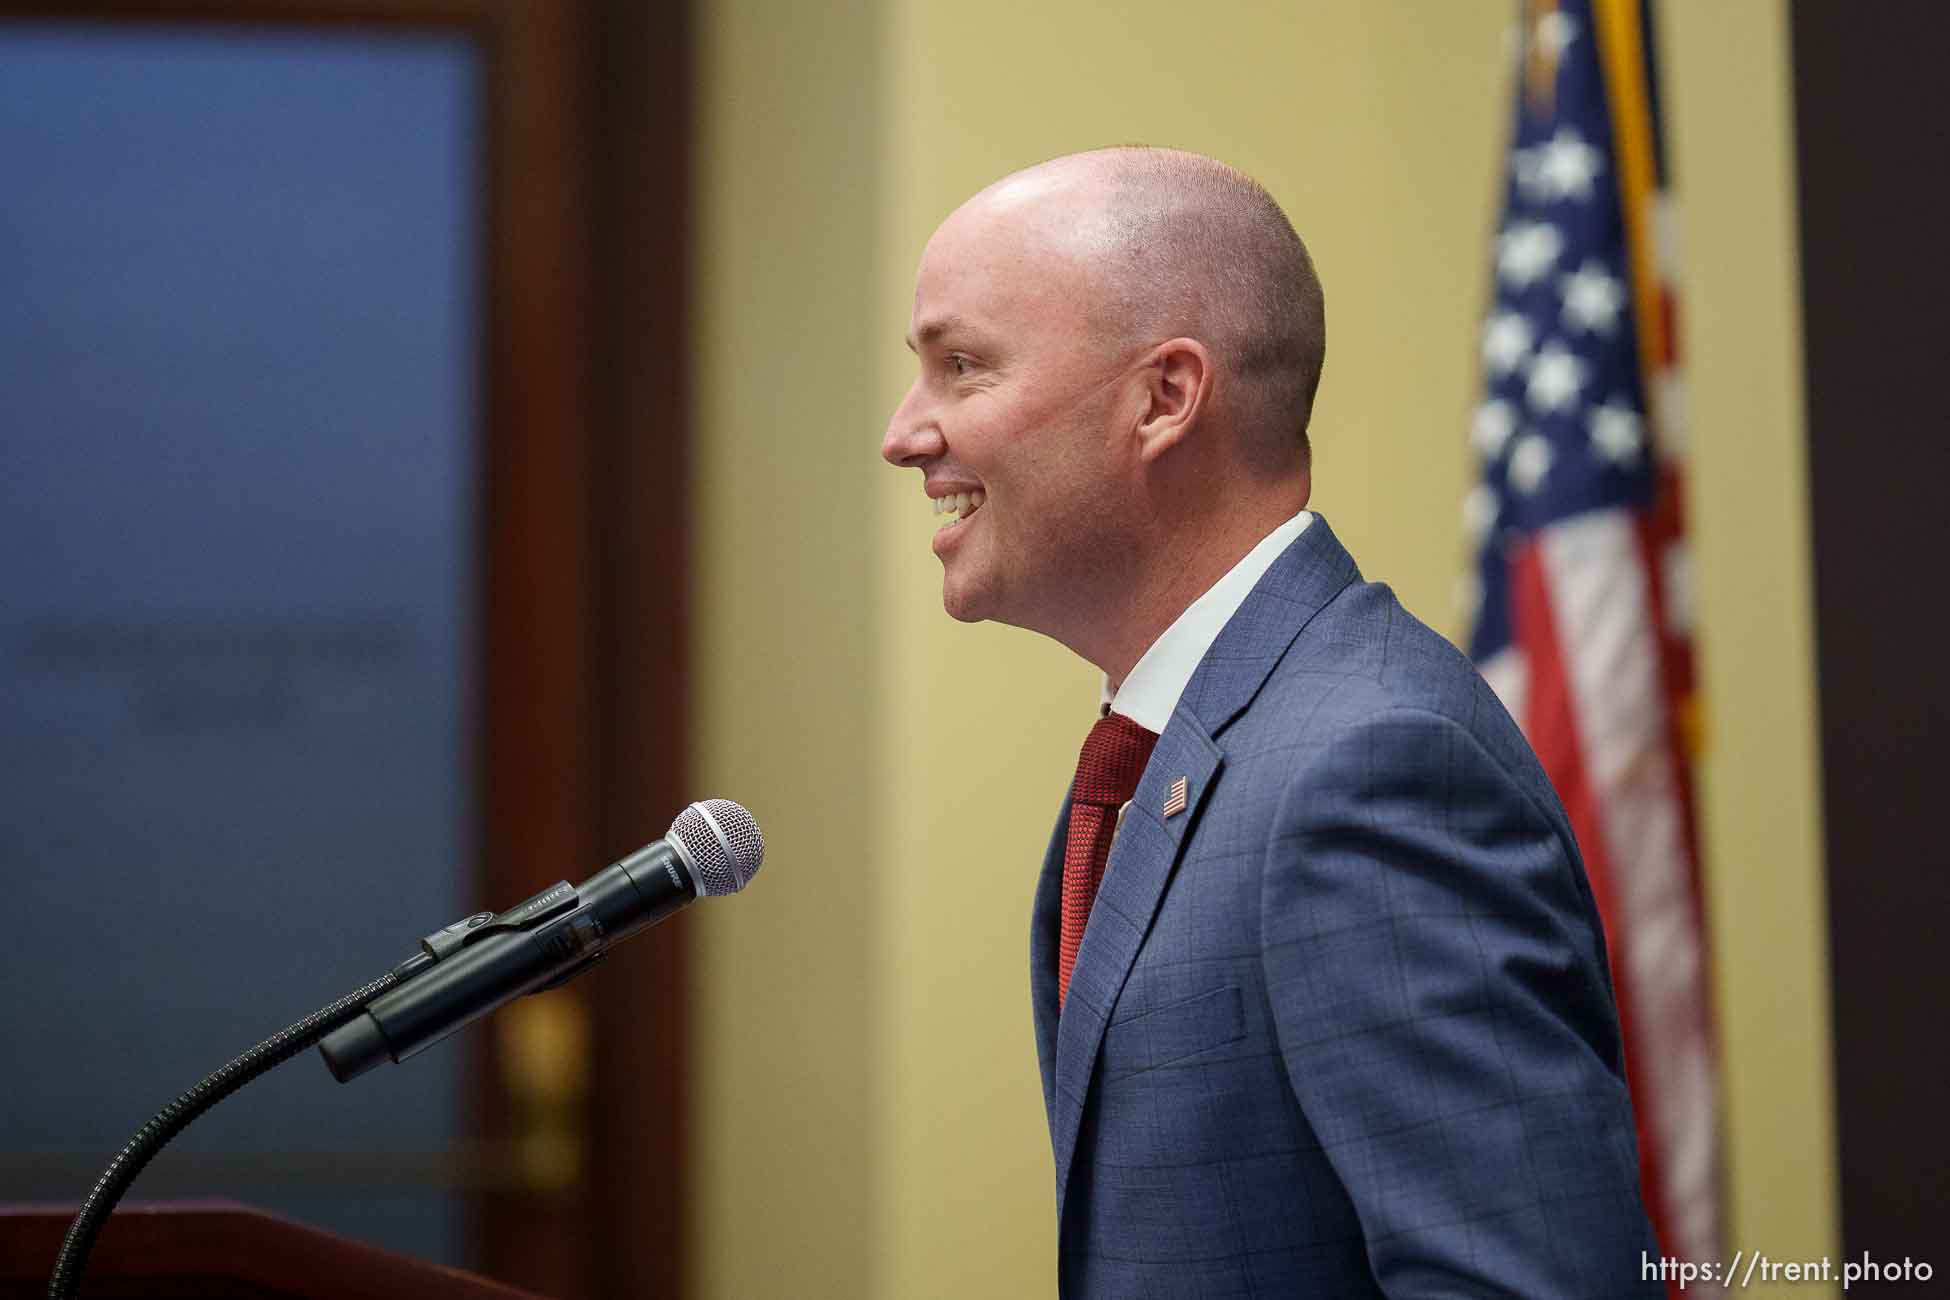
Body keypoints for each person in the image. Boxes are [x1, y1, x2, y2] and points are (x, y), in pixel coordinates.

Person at [881, 147, 1661, 1298]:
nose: (906, 433)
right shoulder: (1172, 748)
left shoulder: (1373, 766)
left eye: (960, 367)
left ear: (1165, 397)